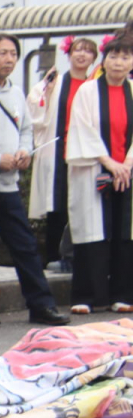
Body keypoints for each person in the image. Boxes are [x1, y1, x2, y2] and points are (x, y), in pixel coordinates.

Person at [0, 34, 70, 328]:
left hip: (9, 185)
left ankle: (41, 304)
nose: (9, 59)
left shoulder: (17, 93)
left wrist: (24, 151)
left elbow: (25, 130)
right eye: (2, 54)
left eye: (13, 53)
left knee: (25, 246)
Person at [64, 34, 133, 315]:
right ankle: (87, 295)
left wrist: (126, 163)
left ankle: (122, 293)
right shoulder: (88, 91)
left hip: (128, 172)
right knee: (91, 231)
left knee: (124, 232)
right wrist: (110, 162)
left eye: (125, 57)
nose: (119, 62)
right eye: (114, 56)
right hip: (94, 168)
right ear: (105, 59)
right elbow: (82, 130)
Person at [28, 36, 99, 271]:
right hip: (59, 150)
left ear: (94, 58)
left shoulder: (96, 85)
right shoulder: (56, 81)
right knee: (57, 204)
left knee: (83, 204)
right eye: (78, 50)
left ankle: (78, 256)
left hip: (85, 152)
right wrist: (45, 91)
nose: (82, 55)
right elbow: (35, 106)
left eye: (88, 52)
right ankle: (53, 255)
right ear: (69, 54)